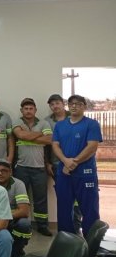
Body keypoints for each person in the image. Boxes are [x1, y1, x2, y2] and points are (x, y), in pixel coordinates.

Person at [52, 94, 102, 235]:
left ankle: (91, 240)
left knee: (89, 208)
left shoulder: (91, 124)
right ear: (68, 106)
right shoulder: (60, 125)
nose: (74, 106)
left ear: (84, 107)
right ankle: (66, 240)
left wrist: (74, 162)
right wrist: (65, 161)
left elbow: (92, 146)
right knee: (63, 208)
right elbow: (55, 145)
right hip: (64, 173)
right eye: (71, 103)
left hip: (85, 174)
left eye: (78, 104)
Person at [12, 98, 53, 236]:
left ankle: (42, 225)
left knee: (40, 198)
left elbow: (49, 139)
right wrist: (39, 134)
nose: (28, 111)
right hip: (21, 167)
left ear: (35, 110)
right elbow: (20, 134)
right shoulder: (17, 122)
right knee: (20, 198)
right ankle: (19, 224)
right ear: (21, 110)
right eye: (26, 109)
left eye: (31, 108)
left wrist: (28, 136)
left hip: (39, 168)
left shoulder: (44, 123)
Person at [46, 93, 81, 233]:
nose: (55, 106)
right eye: (52, 104)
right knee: (64, 197)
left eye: (57, 103)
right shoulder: (47, 122)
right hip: (56, 164)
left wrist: (77, 160)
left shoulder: (74, 117)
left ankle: (76, 227)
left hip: (76, 163)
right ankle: (65, 231)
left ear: (63, 103)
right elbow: (46, 145)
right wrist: (47, 162)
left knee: (77, 196)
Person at [0, 159, 32, 257]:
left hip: (12, 219)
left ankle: (17, 250)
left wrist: (3, 217)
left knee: (24, 224)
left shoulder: (18, 184)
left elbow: (24, 211)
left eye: (4, 170)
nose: (0, 173)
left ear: (10, 172)